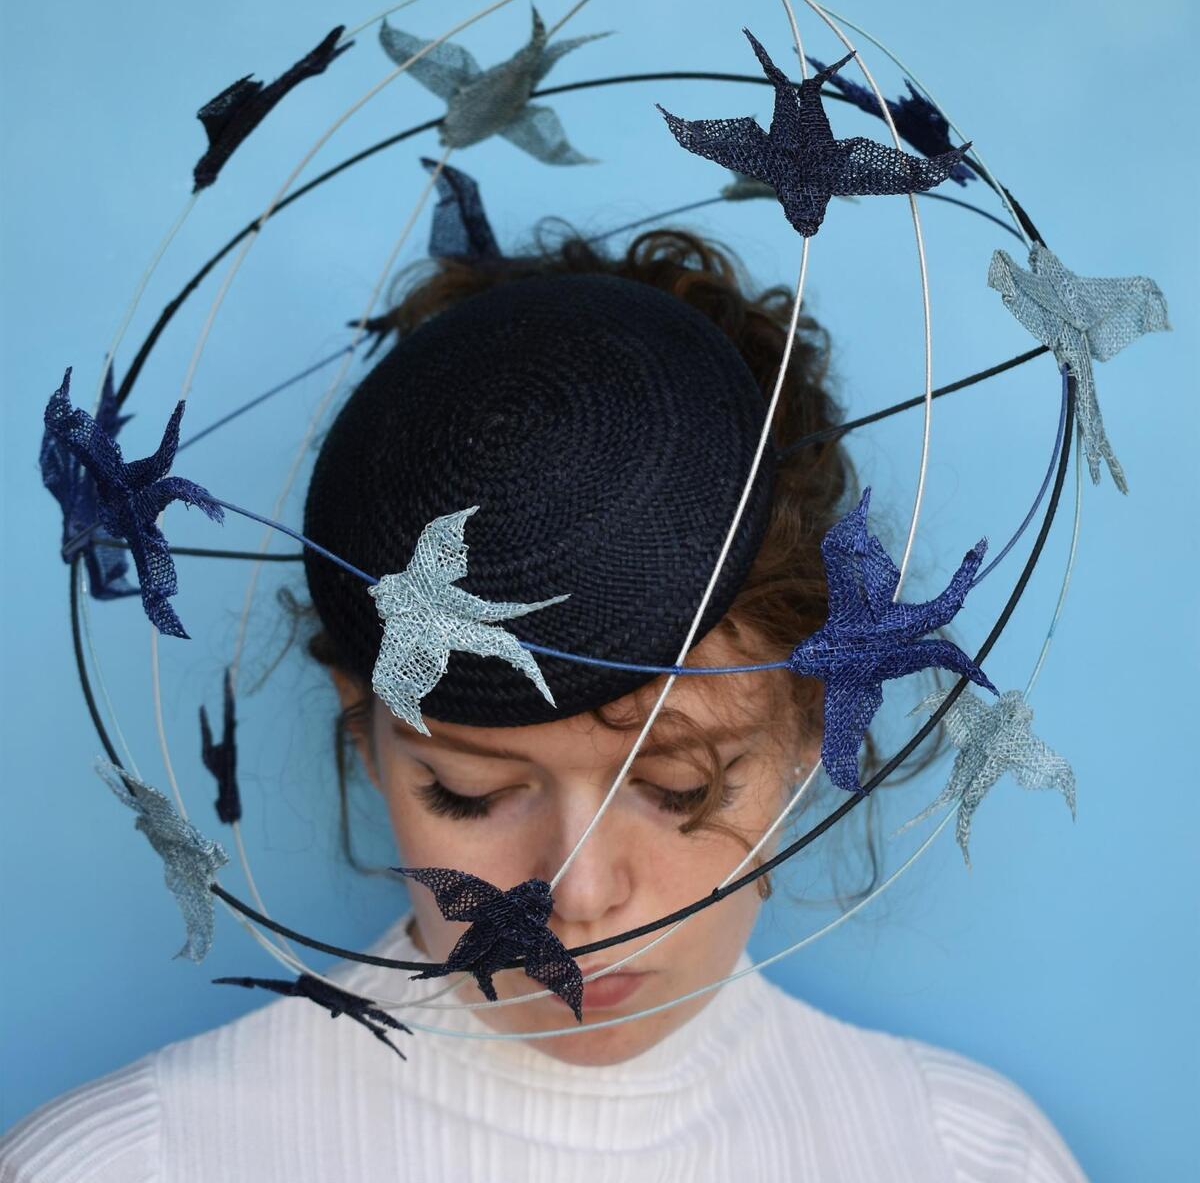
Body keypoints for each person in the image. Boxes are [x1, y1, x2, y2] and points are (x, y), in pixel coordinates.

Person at [0, 227, 1087, 1181]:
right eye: (469, 793)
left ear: (816, 718)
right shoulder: (126, 1165)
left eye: (679, 786)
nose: (577, 898)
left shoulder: (968, 1159)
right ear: (366, 735)